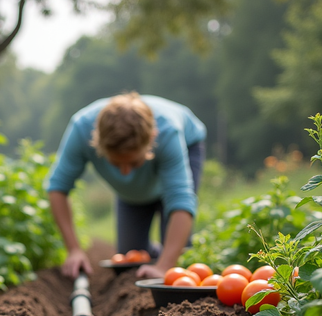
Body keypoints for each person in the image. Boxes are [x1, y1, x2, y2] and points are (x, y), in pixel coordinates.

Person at [46, 92, 206, 279]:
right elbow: (57, 187)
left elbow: (181, 199)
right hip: (132, 197)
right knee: (131, 256)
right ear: (96, 143)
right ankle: (158, 255)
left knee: (178, 261)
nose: (126, 174)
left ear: (152, 139)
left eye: (135, 163)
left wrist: (165, 266)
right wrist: (74, 249)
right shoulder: (81, 129)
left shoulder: (168, 131)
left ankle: (167, 257)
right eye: (115, 163)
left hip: (188, 144)